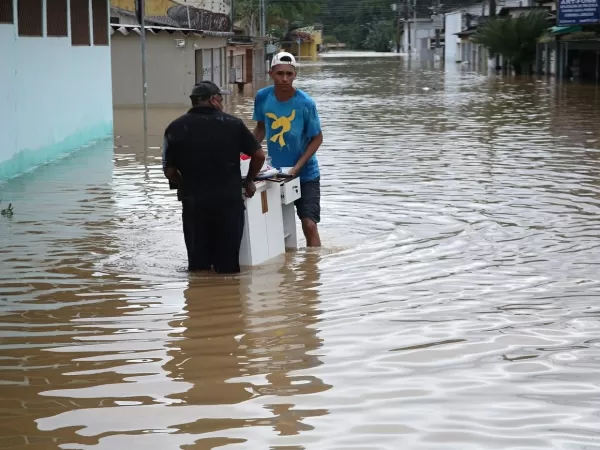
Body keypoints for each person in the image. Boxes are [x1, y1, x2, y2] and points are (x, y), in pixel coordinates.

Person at [162, 81, 266, 274]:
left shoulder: (174, 128)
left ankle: (199, 299)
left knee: (197, 269)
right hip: (228, 203)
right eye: (220, 98)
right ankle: (226, 299)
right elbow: (259, 155)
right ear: (212, 100)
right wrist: (249, 180)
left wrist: (184, 184)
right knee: (227, 268)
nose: (222, 102)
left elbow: (169, 171)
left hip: (194, 204)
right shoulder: (233, 124)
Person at [252, 51, 324, 247]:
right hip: (275, 173)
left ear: (295, 75)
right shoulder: (263, 97)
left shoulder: (306, 103)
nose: (284, 78)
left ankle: (313, 270)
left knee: (309, 224)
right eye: (280, 73)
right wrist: (244, 153)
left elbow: (317, 138)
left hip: (306, 173)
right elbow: (261, 128)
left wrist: (297, 168)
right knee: (275, 225)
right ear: (271, 73)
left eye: (289, 74)